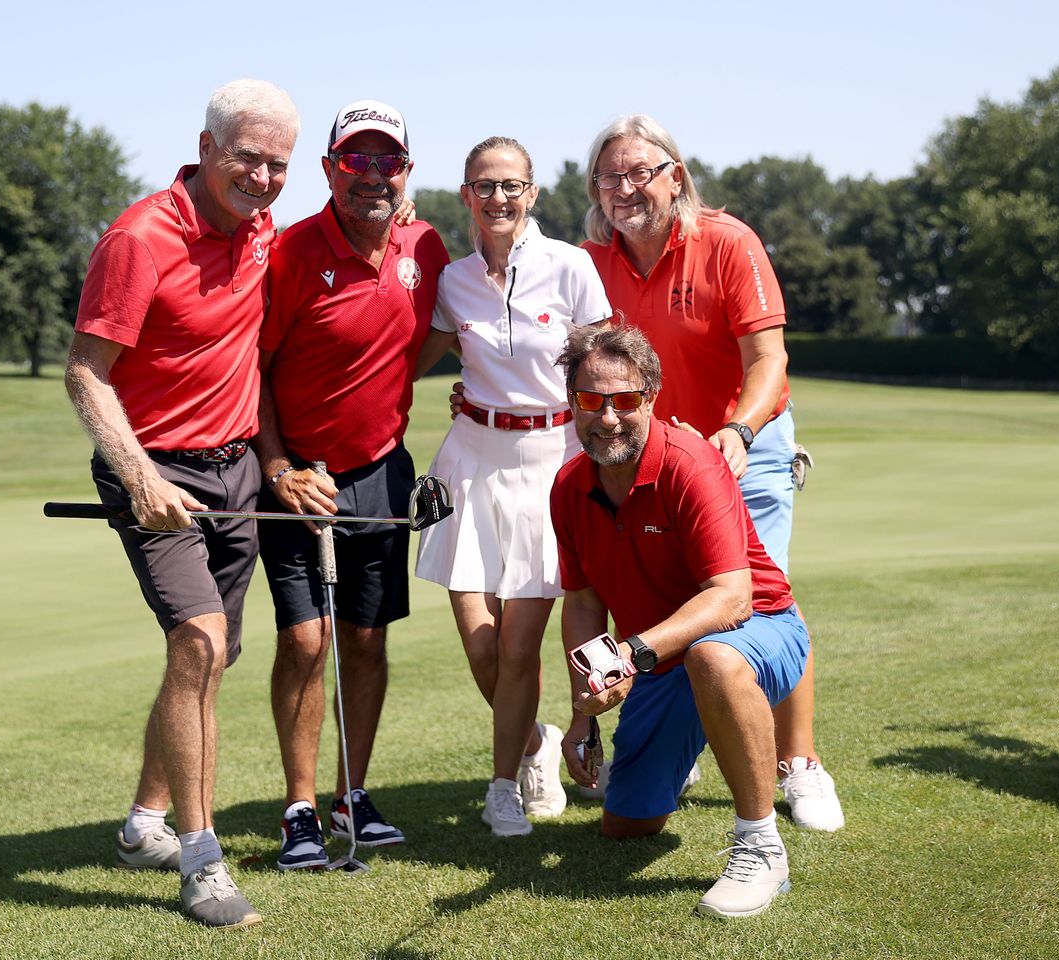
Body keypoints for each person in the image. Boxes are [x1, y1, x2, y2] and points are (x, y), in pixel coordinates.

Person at [63, 79, 299, 930]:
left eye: (279, 165)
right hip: (157, 473)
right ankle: (202, 861)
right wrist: (139, 476)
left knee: (210, 655)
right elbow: (84, 372)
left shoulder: (260, 229)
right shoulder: (139, 239)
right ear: (205, 149)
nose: (263, 178)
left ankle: (143, 825)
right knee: (199, 642)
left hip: (237, 472)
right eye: (248, 158)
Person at [579, 114, 843, 831]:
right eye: (609, 176)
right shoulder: (590, 260)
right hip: (652, 460)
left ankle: (799, 762)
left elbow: (769, 359)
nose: (624, 188)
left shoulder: (727, 241)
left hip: (742, 446)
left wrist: (739, 430)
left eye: (640, 172)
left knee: (761, 597)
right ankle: (689, 735)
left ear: (675, 177)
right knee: (668, 602)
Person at [550, 323, 811, 919]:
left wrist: (631, 654)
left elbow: (732, 600)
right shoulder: (567, 487)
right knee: (626, 824)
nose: (608, 417)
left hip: (761, 630)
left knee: (711, 656)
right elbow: (584, 602)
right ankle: (691, 742)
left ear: (651, 398)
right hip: (660, 657)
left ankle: (760, 847)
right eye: (591, 399)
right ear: (571, 402)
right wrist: (583, 713)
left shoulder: (692, 464)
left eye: (625, 399)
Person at [252, 100, 450, 871]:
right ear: (329, 169)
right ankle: (300, 808)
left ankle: (351, 794)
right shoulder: (292, 252)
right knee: (306, 640)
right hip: (296, 475)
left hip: (380, 469)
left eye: (387, 161)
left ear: (407, 171)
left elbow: (432, 334)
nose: (372, 175)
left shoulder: (424, 245)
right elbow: (254, 372)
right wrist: (278, 469)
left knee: (367, 640)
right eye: (355, 160)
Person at [413, 137, 612, 836]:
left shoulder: (571, 266)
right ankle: (533, 745)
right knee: (482, 647)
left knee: (520, 645)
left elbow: (606, 368)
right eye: (484, 186)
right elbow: (401, 362)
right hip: (470, 458)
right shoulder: (453, 280)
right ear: (466, 194)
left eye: (511, 186)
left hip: (550, 462)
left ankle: (502, 787)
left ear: (531, 193)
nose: (498, 198)